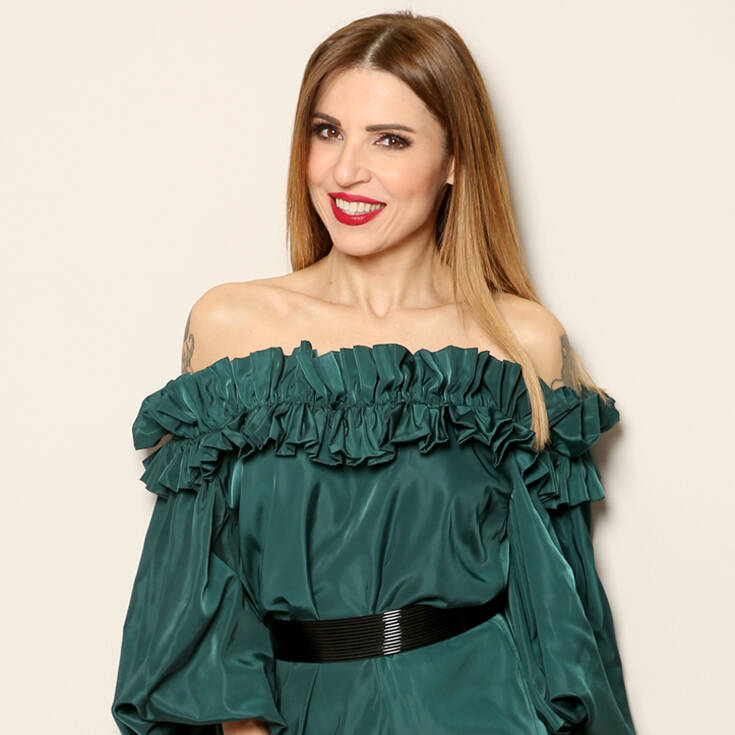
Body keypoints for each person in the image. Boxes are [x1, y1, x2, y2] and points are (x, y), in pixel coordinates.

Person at [111, 10, 637, 735]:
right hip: (293, 713)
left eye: (390, 140)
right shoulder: (232, 328)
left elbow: (561, 617)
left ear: (454, 161)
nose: (344, 170)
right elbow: (194, 595)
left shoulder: (519, 343)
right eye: (327, 131)